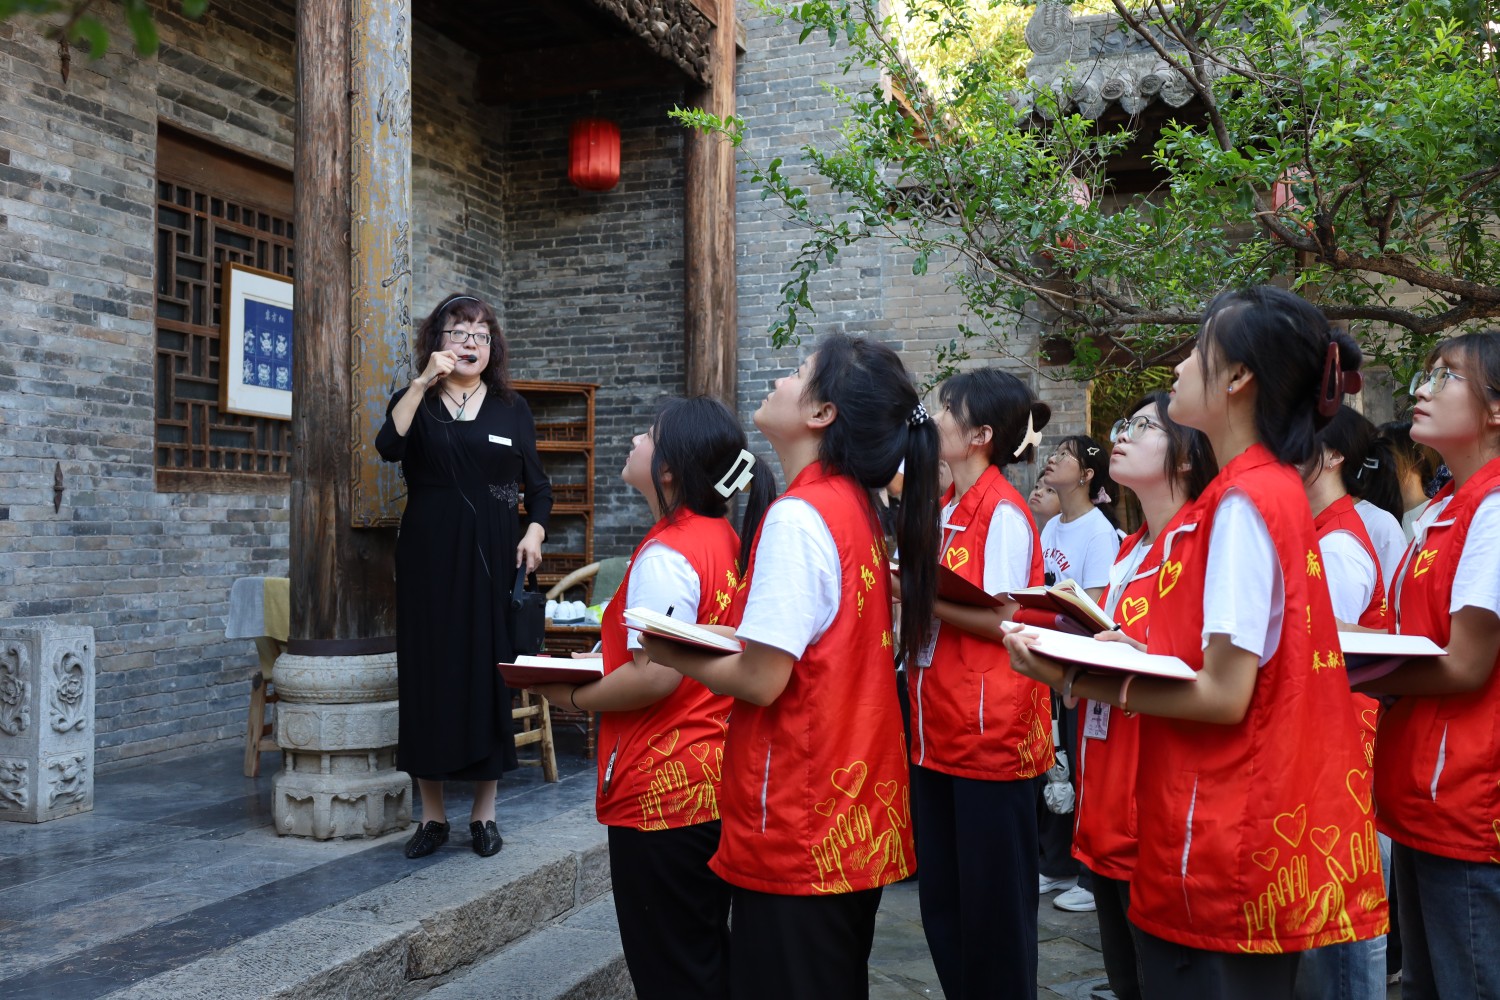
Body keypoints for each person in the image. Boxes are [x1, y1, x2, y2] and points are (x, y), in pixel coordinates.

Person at [1006, 285, 1387, 997]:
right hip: (1231, 826)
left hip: (1221, 835)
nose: (1180, 367)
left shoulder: (1243, 502)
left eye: (1197, 351)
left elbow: (1224, 693)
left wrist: (1075, 676)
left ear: (1238, 377)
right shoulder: (1260, 490)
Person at [644, 334, 940, 1000]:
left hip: (800, 816)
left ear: (821, 413)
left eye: (798, 371)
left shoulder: (800, 516)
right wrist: (713, 634)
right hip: (848, 811)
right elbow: (811, 644)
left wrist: (668, 648)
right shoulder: (850, 506)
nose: (780, 378)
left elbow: (763, 678)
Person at [529, 396, 773, 999]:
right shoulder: (721, 536)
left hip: (665, 781)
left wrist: (573, 697)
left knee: (672, 970)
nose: (634, 439)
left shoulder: (669, 551)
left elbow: (655, 674)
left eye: (647, 434)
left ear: (667, 470)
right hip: (714, 771)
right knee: (703, 955)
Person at [375, 293, 551, 860]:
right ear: (438, 341)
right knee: (428, 674)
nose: (471, 342)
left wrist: (535, 531)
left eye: (481, 334)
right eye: (459, 331)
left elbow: (539, 488)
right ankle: (431, 816)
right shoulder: (415, 400)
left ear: (492, 346)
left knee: (485, 673)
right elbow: (387, 446)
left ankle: (484, 813)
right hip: (427, 555)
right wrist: (422, 383)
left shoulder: (511, 408)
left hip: (494, 555)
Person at [1359, 332, 1500, 1000]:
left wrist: (1347, 667)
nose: (1421, 390)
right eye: (1425, 375)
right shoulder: (1448, 509)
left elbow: (1466, 664)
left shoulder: (1493, 510)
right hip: (1420, 788)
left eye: (1445, 377)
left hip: (1469, 796)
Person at [907, 369, 1053, 999]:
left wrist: (919, 597)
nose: (934, 419)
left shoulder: (1003, 513)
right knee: (945, 904)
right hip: (936, 727)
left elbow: (1006, 620)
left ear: (979, 435)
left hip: (988, 734)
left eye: (946, 410)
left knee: (994, 913)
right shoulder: (945, 507)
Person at [1070, 393, 1215, 1000]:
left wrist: (1130, 655)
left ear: (1186, 457)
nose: (1121, 434)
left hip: (1158, 805)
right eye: (1123, 424)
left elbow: (1216, 674)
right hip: (1107, 794)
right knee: (1125, 976)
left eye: (1143, 426)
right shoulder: (1131, 548)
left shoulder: (1203, 543)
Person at [1295, 403, 1395, 1000]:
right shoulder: (1322, 533)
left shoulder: (1335, 545)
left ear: (1331, 456)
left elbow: (1322, 648)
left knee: (1345, 918)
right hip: (1338, 748)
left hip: (1346, 751)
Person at [1037, 434, 1119, 912]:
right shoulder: (1052, 527)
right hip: (1050, 659)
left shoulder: (1098, 532)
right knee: (1054, 766)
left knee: (1082, 766)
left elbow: (1095, 610)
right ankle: (1055, 864)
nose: (1053, 459)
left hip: (1080, 666)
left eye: (1065, 455)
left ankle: (1090, 877)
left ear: (1087, 475)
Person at [1378, 420, 1442, 539]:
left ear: (1416, 459)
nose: (1376, 461)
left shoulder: (1438, 516)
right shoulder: (1377, 516)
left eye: (1385, 452)